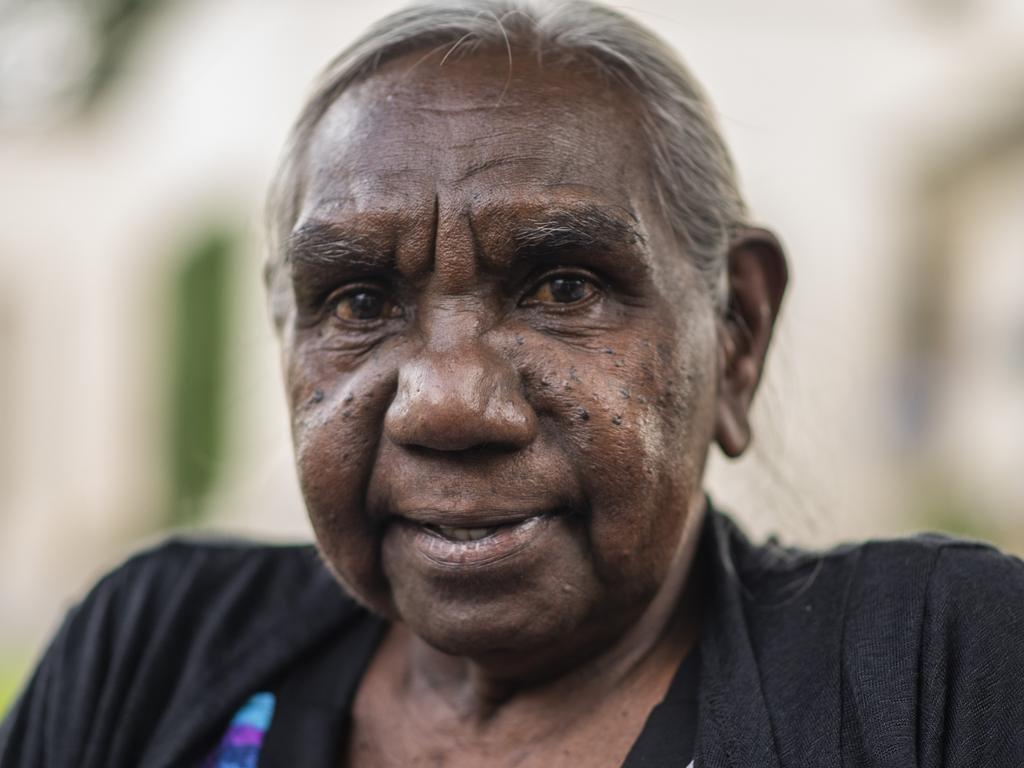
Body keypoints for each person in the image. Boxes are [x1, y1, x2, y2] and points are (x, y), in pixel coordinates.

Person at [2, 1, 1023, 766]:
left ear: (737, 333)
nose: (446, 403)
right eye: (358, 301)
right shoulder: (154, 652)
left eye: (563, 286)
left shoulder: (936, 674)